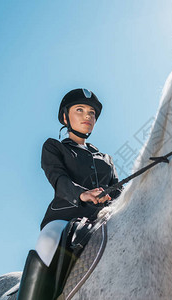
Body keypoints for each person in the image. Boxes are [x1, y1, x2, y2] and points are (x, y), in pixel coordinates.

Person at [17, 88, 122, 300]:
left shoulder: (106, 159)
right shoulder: (54, 147)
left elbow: (118, 189)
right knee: (47, 242)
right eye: (80, 110)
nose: (87, 116)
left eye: (91, 113)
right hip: (64, 219)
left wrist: (116, 195)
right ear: (66, 117)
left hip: (103, 221)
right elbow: (58, 179)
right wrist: (83, 194)